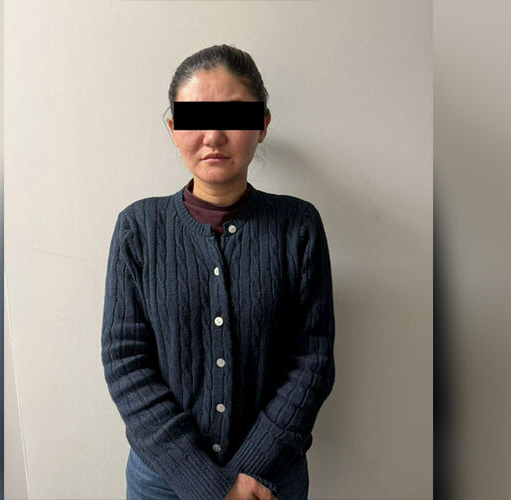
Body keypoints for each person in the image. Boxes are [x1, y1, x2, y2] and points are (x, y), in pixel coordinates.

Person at [101, 44, 336, 500]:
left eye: (233, 116)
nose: (212, 136)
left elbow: (313, 360)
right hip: (164, 482)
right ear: (173, 128)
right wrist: (210, 484)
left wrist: (247, 474)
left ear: (262, 125)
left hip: (269, 480)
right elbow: (125, 361)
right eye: (194, 119)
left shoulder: (298, 226)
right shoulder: (138, 228)